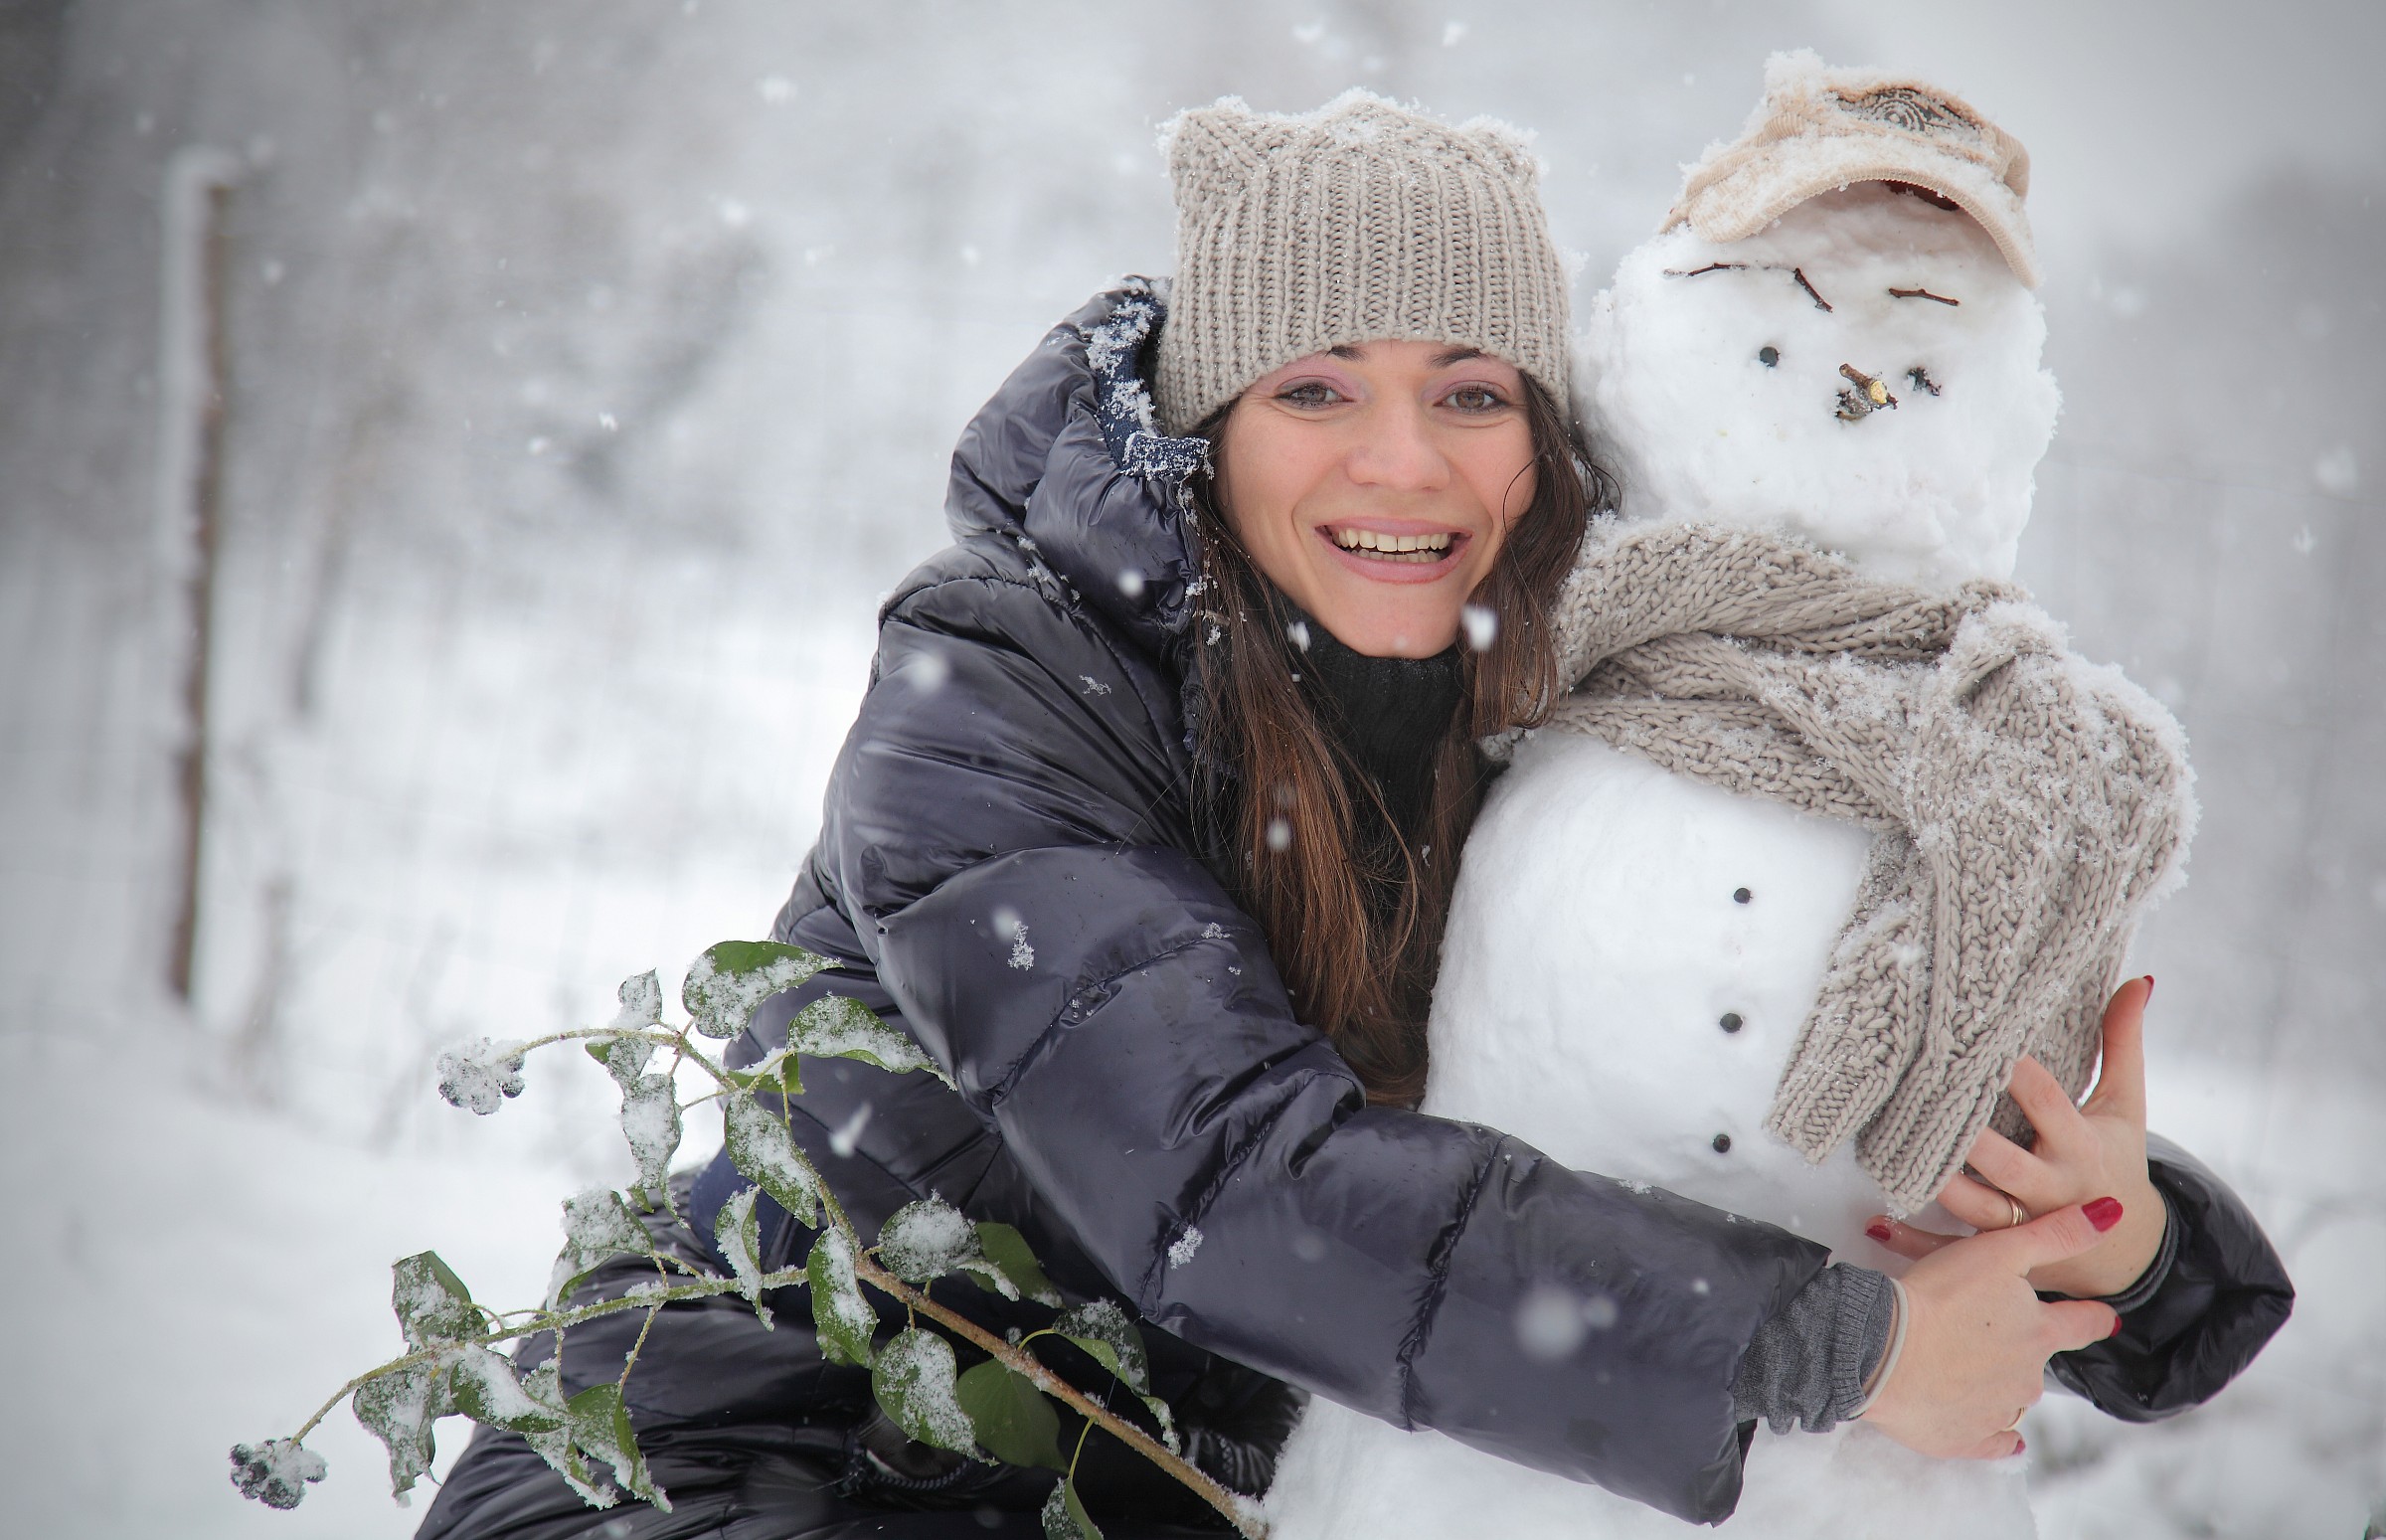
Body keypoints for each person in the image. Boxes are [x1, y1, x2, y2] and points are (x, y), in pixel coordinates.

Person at [417, 92, 2289, 1540]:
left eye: (1468, 392)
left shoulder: (1554, 710)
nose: (1402, 461)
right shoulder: (997, 692)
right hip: (742, 1468)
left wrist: (2132, 1248)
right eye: (1317, 387)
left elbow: (1758, 1087)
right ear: (1204, 420)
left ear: (1547, 437)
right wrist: (1835, 1343)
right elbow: (1236, 1186)